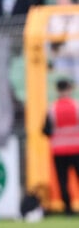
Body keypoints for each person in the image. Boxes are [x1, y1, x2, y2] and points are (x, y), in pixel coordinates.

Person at [43, 78, 79, 215]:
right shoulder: (76, 106)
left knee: (63, 180)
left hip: (59, 150)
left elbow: (46, 130)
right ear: (69, 90)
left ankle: (68, 209)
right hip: (76, 148)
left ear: (57, 90)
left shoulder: (52, 109)